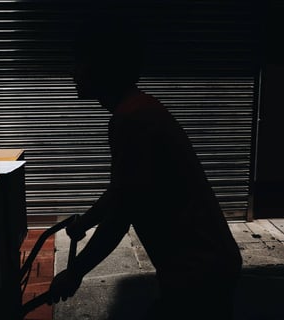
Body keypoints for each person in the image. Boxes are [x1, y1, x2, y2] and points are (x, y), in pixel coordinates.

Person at [47, 12, 243, 320]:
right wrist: (85, 222)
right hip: (202, 265)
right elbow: (120, 191)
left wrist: (76, 272)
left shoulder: (132, 121)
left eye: (80, 62)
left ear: (102, 67)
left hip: (198, 268)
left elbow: (121, 213)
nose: (73, 72)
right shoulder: (137, 111)